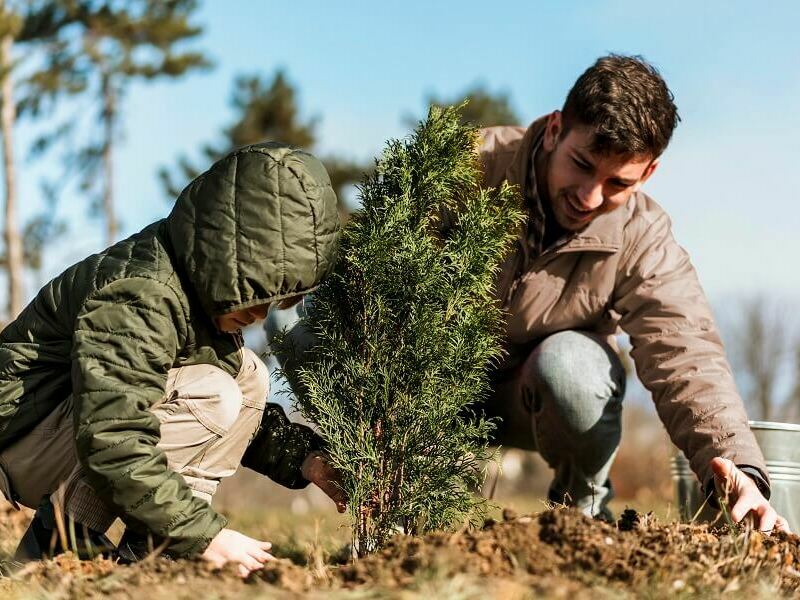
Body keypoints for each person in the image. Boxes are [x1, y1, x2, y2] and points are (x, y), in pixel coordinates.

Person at [0, 142, 345, 577]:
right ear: (226, 255)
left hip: (71, 429)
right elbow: (113, 434)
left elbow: (234, 422)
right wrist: (207, 535)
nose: (259, 315)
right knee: (213, 390)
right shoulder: (142, 294)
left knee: (248, 378)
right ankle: (57, 542)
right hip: (25, 437)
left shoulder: (192, 291)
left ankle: (156, 553)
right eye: (257, 295)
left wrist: (304, 459)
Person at [476, 54, 788, 531]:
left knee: (573, 366)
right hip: (435, 393)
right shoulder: (468, 170)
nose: (590, 197)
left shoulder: (643, 238)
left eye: (618, 182)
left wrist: (738, 468)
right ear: (556, 129)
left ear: (648, 173)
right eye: (581, 165)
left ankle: (581, 517)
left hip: (535, 399)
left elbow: (686, 350)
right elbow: (371, 286)